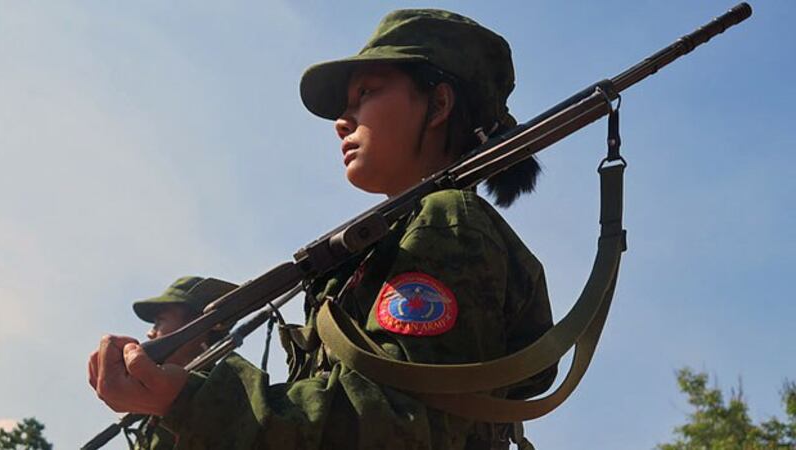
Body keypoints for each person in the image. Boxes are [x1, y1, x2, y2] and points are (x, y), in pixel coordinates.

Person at [88, 9, 558, 450]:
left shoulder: (448, 221)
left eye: (367, 94)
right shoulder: (392, 240)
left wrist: (191, 400)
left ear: (437, 105)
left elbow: (398, 428)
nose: (341, 120)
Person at [90, 276, 238, 450]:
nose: (150, 333)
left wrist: (182, 402)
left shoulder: (227, 399)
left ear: (198, 325)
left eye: (159, 321)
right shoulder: (150, 418)